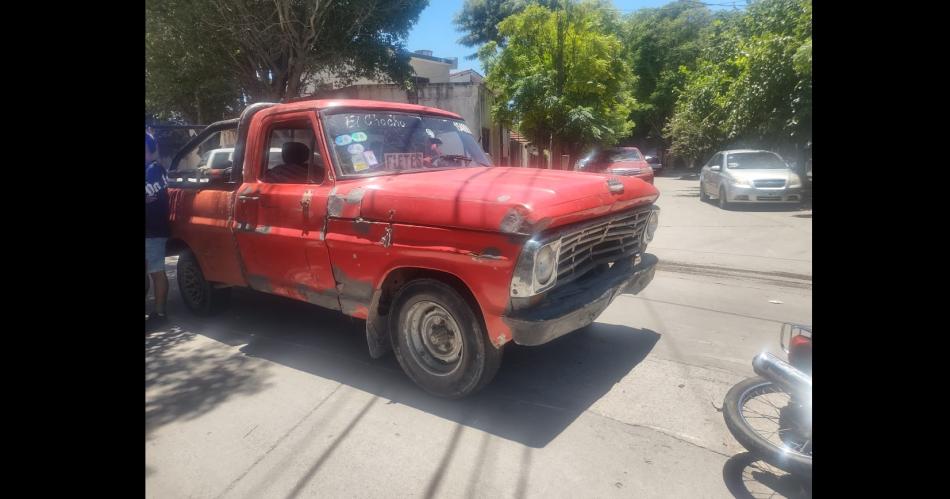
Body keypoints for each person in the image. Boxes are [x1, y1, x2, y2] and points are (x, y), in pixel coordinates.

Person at [145, 133, 171, 328]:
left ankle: (160, 312)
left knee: (156, 271)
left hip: (153, 230)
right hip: (151, 230)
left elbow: (150, 196)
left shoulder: (154, 169)